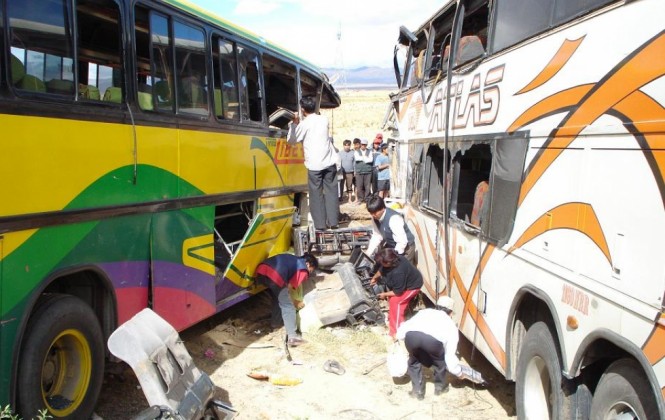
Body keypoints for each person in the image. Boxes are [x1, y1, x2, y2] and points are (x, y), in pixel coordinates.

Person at [396, 296, 465, 400]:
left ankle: (417, 391)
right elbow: (449, 355)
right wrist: (458, 372)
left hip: (411, 337)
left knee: (414, 361)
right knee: (440, 362)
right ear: (450, 312)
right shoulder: (451, 325)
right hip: (432, 343)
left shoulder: (424, 312)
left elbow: (403, 328)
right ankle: (440, 388)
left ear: (436, 307)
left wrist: (400, 337)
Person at [288, 96, 339, 230]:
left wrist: (294, 123)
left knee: (316, 194)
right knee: (331, 192)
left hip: (315, 165)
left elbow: (292, 140)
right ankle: (333, 222)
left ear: (302, 109)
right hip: (329, 161)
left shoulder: (304, 124)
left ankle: (321, 225)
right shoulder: (324, 119)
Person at [255, 252, 319, 347]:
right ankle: (293, 338)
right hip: (275, 275)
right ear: (308, 264)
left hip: (261, 270)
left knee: (278, 298)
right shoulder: (302, 268)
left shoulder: (293, 259)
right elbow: (291, 286)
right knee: (288, 305)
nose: (310, 272)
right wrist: (295, 302)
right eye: (311, 270)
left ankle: (275, 324)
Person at [369, 248, 422, 340]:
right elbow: (382, 269)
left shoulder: (399, 272)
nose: (381, 264)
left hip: (413, 286)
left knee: (396, 302)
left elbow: (398, 292)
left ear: (389, 263)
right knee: (392, 300)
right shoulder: (395, 258)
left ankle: (396, 333)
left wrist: (384, 294)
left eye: (383, 262)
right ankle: (392, 319)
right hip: (403, 284)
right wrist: (374, 278)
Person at [366, 195, 416, 263]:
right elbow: (377, 236)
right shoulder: (375, 218)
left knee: (401, 270)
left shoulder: (394, 219)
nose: (373, 215)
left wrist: (392, 258)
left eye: (375, 213)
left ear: (382, 209)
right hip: (393, 246)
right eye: (371, 213)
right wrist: (368, 253)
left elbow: (402, 242)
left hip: (406, 248)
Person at [354, 138, 373, 204]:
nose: (363, 146)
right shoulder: (356, 151)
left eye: (364, 145)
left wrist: (362, 158)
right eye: (362, 144)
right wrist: (365, 158)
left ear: (366, 145)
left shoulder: (370, 151)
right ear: (360, 145)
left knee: (367, 186)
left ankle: (367, 199)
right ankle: (360, 199)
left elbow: (370, 160)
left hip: (368, 171)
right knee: (359, 186)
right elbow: (357, 159)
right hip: (359, 171)